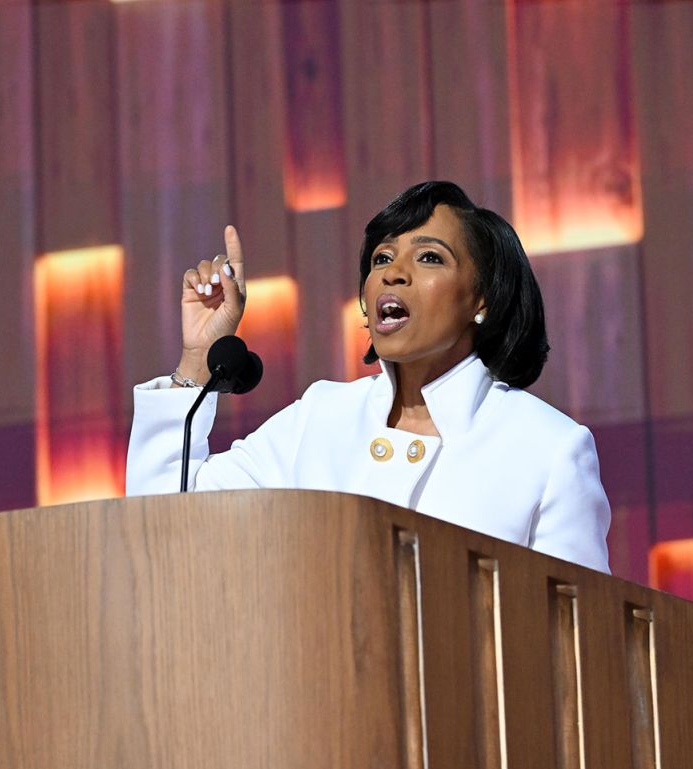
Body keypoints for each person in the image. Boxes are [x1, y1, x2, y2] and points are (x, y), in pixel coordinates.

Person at [126, 181, 611, 573]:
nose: (392, 274)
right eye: (381, 258)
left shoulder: (547, 449)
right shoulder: (321, 417)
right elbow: (166, 532)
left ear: (482, 299)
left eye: (429, 257)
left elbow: (577, 642)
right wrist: (196, 360)